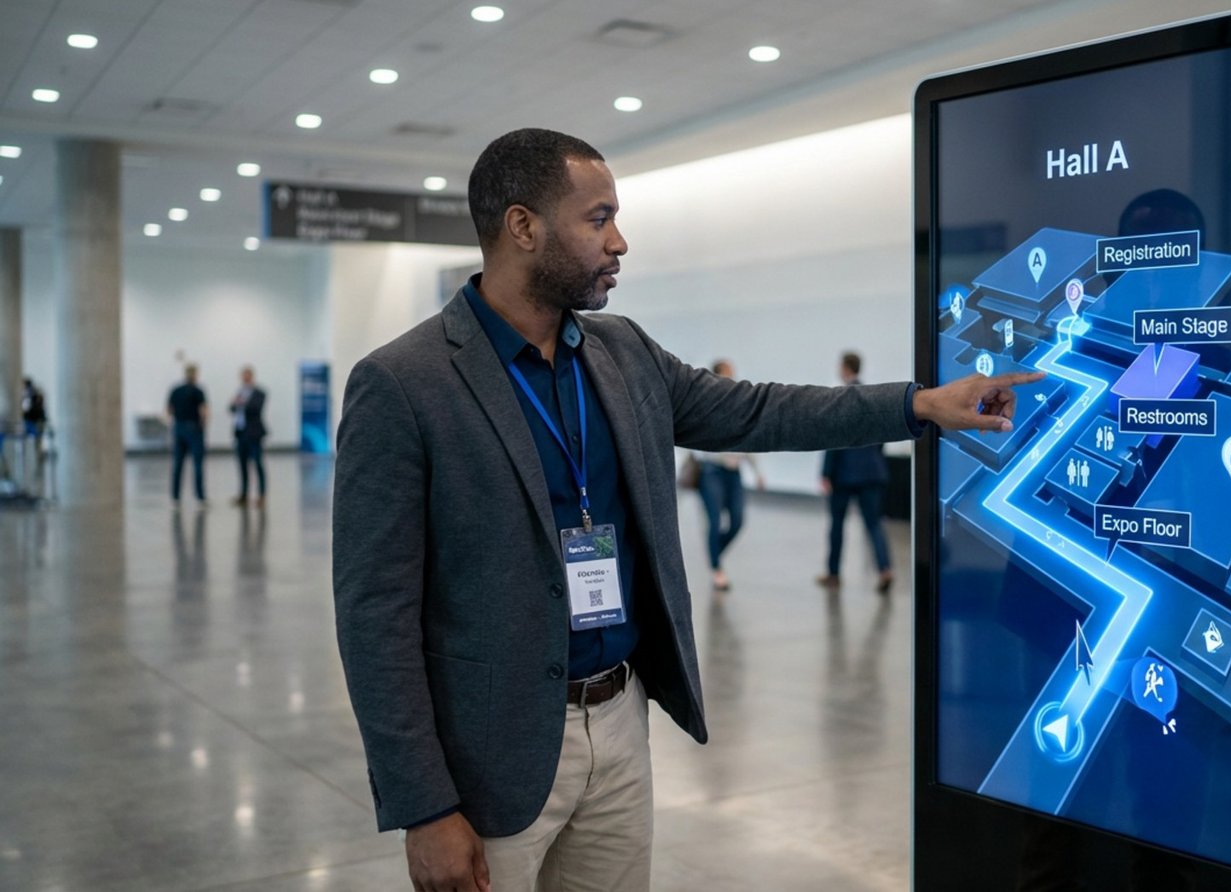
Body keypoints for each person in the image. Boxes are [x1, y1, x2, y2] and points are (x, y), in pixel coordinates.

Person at [331, 127, 1040, 892]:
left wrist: (920, 405)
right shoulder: (403, 384)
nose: (620, 241)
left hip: (620, 723)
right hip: (490, 758)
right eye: (597, 219)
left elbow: (759, 411)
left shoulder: (621, 352)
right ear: (523, 227)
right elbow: (375, 614)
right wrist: (425, 805)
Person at [816, 351, 894, 595]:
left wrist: (826, 473)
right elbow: (882, 437)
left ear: (845, 368)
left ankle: (834, 574)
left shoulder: (840, 398)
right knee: (874, 524)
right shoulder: (872, 397)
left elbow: (834, 440)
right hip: (872, 472)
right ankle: (885, 570)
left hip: (844, 475)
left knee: (837, 525)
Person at [694, 359, 763, 593]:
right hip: (712, 470)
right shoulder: (707, 404)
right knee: (714, 521)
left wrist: (757, 472)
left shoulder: (740, 402)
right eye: (728, 373)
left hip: (734, 472)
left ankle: (715, 553)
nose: (732, 378)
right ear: (716, 376)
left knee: (737, 521)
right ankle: (716, 568)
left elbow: (749, 439)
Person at [167, 364, 208, 507]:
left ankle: (175, 497)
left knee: (178, 463)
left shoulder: (176, 390)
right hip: (193, 428)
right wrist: (202, 426)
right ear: (195, 374)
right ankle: (200, 497)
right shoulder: (198, 391)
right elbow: (204, 411)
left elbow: (169, 410)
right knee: (197, 463)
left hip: (178, 427)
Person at [229, 365, 268, 507]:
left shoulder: (259, 392)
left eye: (247, 375)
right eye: (243, 375)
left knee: (257, 464)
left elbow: (256, 408)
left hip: (254, 434)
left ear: (252, 376)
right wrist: (237, 402)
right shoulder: (239, 392)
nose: (245, 378)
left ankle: (262, 495)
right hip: (240, 433)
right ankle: (244, 494)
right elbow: (231, 408)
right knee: (242, 465)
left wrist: (242, 403)